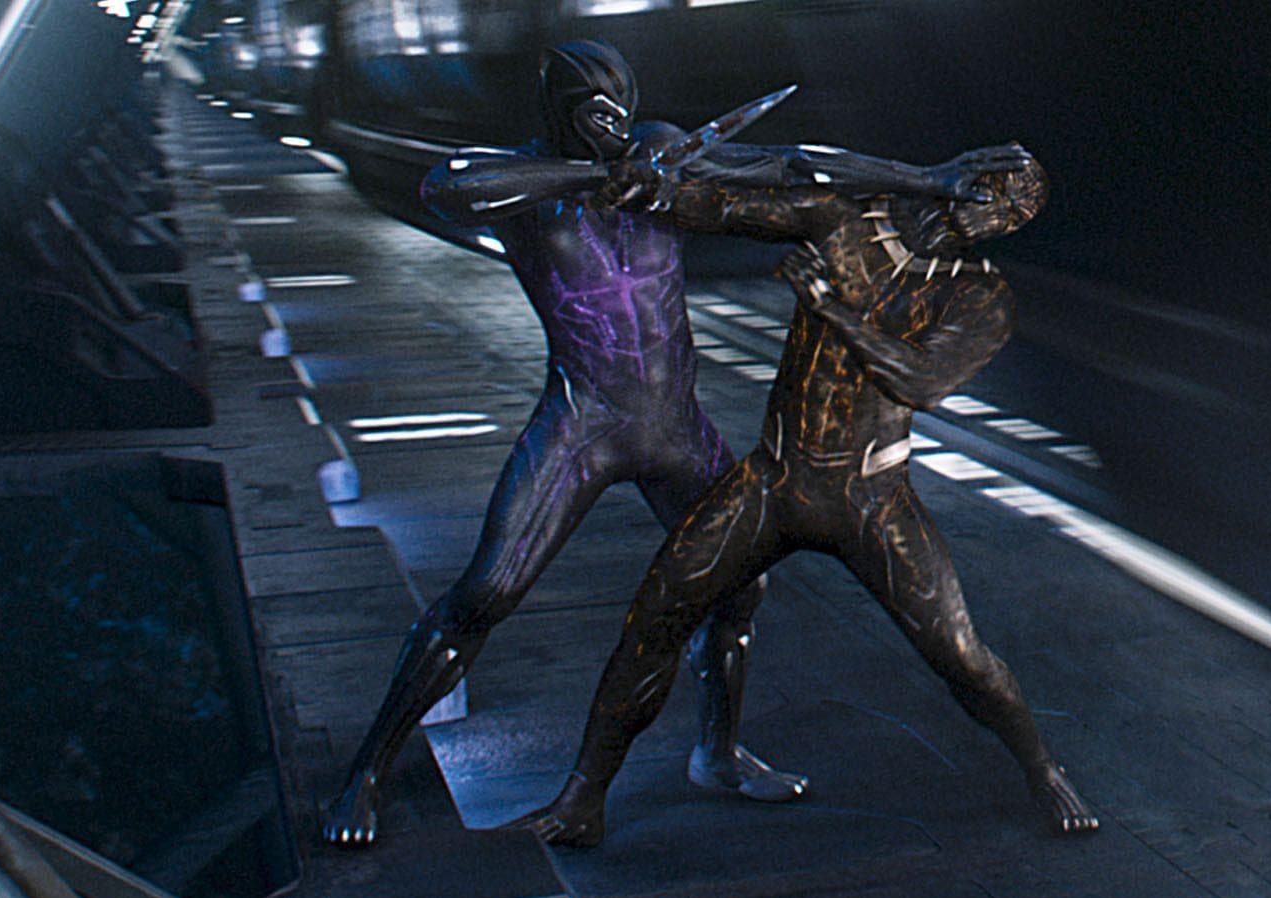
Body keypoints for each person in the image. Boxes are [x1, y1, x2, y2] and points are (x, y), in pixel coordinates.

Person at [323, 38, 1024, 845]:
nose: (611, 127)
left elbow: (793, 162)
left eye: (618, 110)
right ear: (559, 114)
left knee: (741, 591)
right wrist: (592, 176)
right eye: (593, 115)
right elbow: (447, 186)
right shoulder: (526, 180)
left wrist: (928, 178)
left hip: (676, 427)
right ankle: (366, 773)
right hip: (584, 424)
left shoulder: (657, 148)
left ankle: (716, 753)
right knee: (485, 593)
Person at [511, 143, 1100, 848]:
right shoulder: (846, 221)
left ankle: (1043, 768)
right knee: (657, 614)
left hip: (870, 499)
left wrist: (831, 308)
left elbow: (919, 382)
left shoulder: (979, 296)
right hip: (776, 480)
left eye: (1015, 210)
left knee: (962, 656)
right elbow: (732, 206)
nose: (996, 211)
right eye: (994, 190)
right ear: (961, 172)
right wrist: (657, 193)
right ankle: (583, 795)